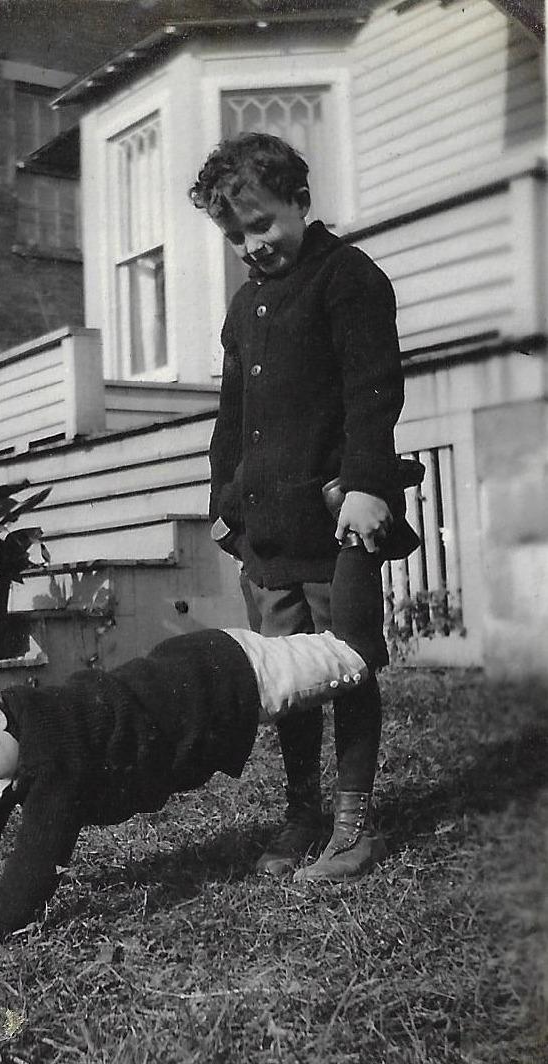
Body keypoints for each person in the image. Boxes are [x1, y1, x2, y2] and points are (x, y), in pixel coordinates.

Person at [0, 549, 388, 954]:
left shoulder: (52, 750)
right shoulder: (0, 753)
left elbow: (38, 856)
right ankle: (307, 815)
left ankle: (354, 541)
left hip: (226, 678)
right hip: (198, 679)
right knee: (332, 660)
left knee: (352, 657)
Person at [188, 132, 421, 883]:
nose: (252, 245)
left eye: (262, 225)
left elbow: (371, 391)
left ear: (299, 201)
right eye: (234, 236)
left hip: (334, 522)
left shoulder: (347, 278)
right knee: (288, 678)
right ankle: (301, 812)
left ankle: (352, 825)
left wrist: (366, 484)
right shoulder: (243, 304)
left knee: (345, 666)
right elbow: (232, 416)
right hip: (265, 527)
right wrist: (223, 499)